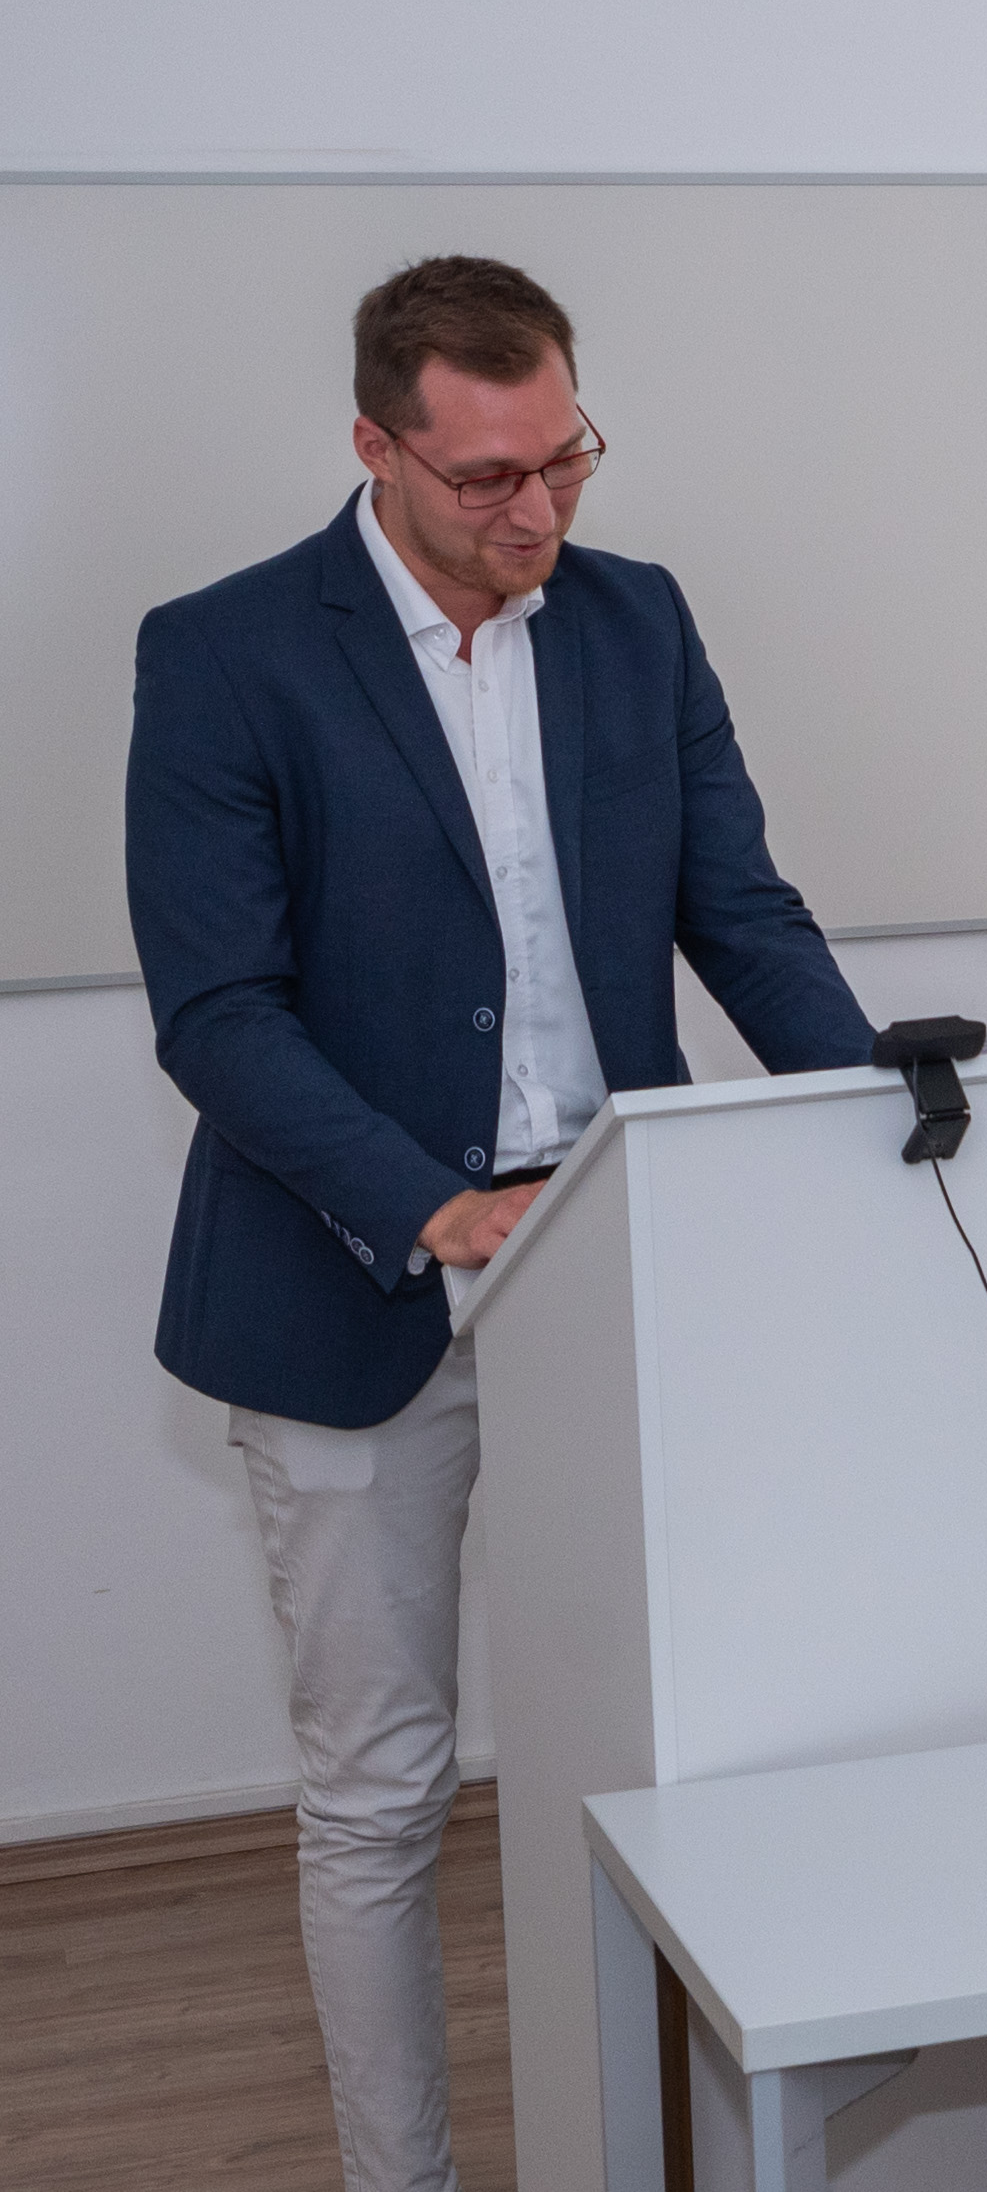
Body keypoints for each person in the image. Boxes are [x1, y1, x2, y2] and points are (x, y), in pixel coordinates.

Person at [124, 257, 874, 2192]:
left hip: (618, 1267)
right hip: (349, 1277)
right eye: (485, 477)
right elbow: (218, 1011)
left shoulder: (637, 619)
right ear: (375, 446)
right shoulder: (225, 652)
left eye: (566, 459)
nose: (536, 510)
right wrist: (434, 1206)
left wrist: (874, 1106)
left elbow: (741, 911)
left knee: (668, 1761)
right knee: (381, 1792)